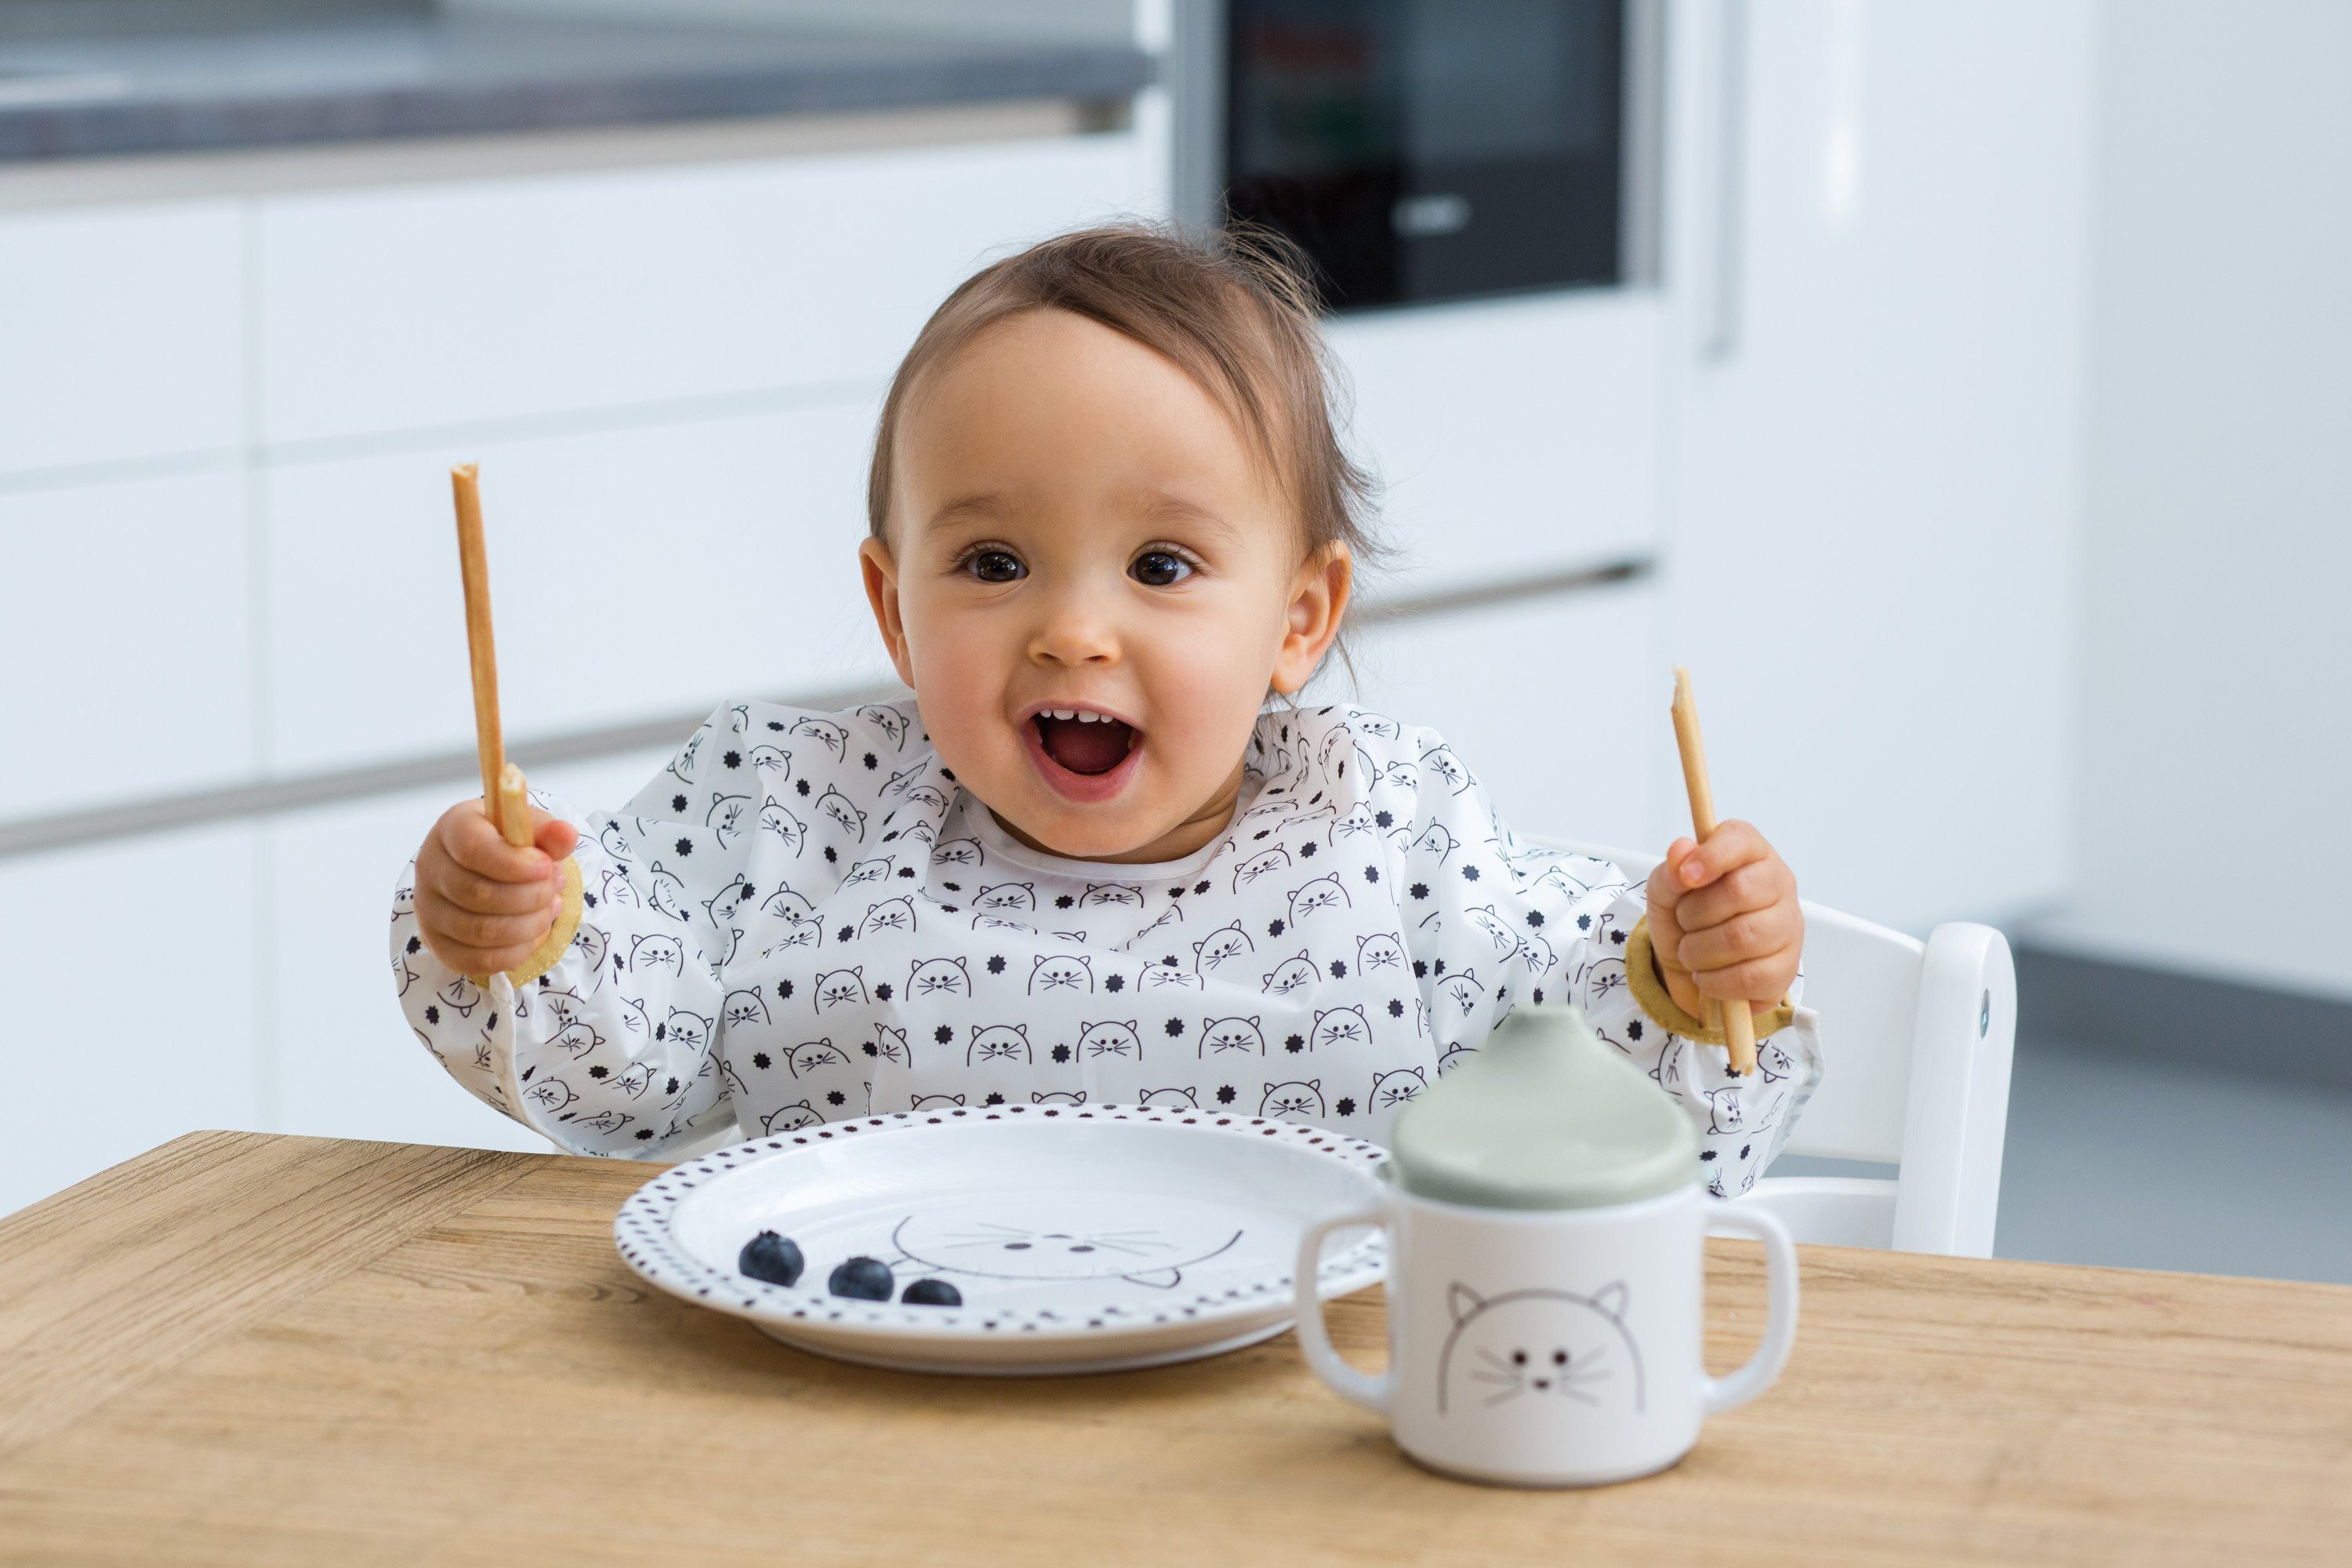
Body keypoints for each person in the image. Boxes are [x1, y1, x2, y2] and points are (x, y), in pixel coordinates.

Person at [392, 224, 1819, 1194]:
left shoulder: (1396, 838)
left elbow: (1604, 1106)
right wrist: (531, 934)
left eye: (1162, 566)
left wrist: (1686, 981)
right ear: (895, 610)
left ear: (1299, 621)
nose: (1074, 630)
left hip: (1293, 1433)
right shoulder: (791, 813)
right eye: (994, 563)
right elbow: (623, 1078)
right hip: (869, 1412)